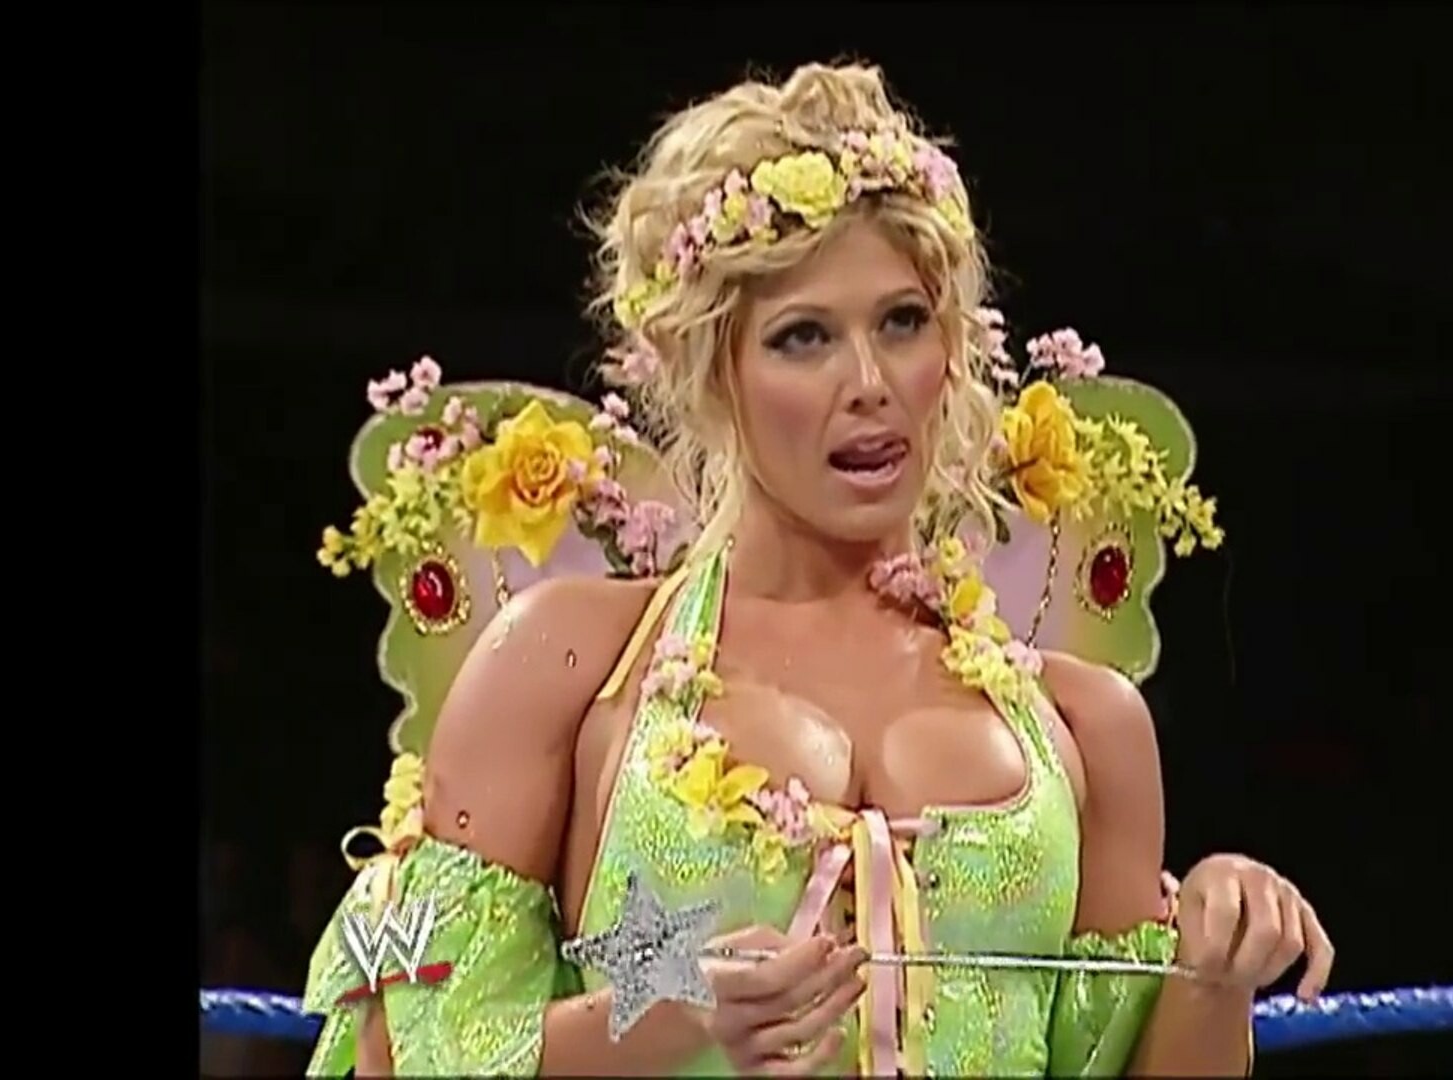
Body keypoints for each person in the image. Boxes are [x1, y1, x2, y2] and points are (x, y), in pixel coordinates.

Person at [300, 60, 1334, 1077]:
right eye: (803, 338)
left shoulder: (1090, 726)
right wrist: (670, 1019)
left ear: (951, 350)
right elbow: (406, 1054)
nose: (869, 383)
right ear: (713, 371)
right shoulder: (568, 665)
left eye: (902, 322)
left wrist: (1216, 968)